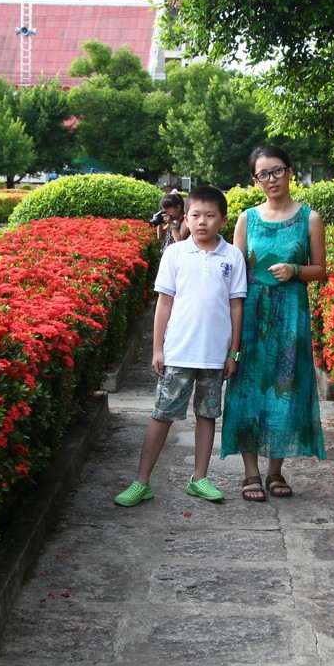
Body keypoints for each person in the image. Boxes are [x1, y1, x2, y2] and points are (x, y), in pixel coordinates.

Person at [116, 184, 245, 507]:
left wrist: (233, 353)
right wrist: (157, 349)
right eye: (196, 215)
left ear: (223, 220)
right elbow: (163, 304)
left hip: (215, 355)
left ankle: (200, 478)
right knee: (161, 414)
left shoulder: (232, 256)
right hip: (178, 352)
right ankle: (142, 481)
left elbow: (236, 307)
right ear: (185, 218)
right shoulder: (174, 254)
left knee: (206, 414)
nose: (202, 222)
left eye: (210, 216)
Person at [220, 144, 327, 500]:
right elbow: (235, 273)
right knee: (247, 389)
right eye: (263, 174)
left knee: (284, 389)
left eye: (277, 171)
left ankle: (275, 472)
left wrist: (296, 270)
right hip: (251, 315)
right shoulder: (246, 219)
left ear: (290, 171)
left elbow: (321, 270)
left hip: (290, 317)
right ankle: (250, 473)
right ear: (255, 179)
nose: (271, 179)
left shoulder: (309, 218)